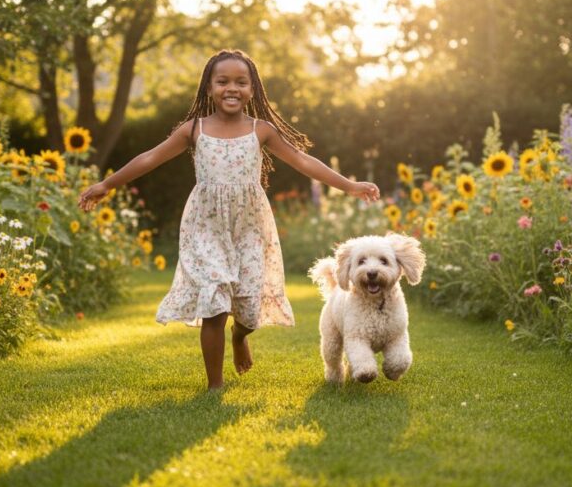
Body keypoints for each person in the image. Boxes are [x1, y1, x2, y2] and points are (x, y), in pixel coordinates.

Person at [78, 49, 380, 390]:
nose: (231, 88)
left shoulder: (260, 130)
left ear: (253, 89)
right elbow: (150, 158)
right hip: (205, 226)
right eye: (222, 81)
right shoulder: (194, 129)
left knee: (248, 309)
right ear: (209, 87)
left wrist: (349, 186)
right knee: (215, 301)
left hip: (249, 226)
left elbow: (302, 161)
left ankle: (240, 337)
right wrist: (106, 184)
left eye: (241, 82)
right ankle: (215, 386)